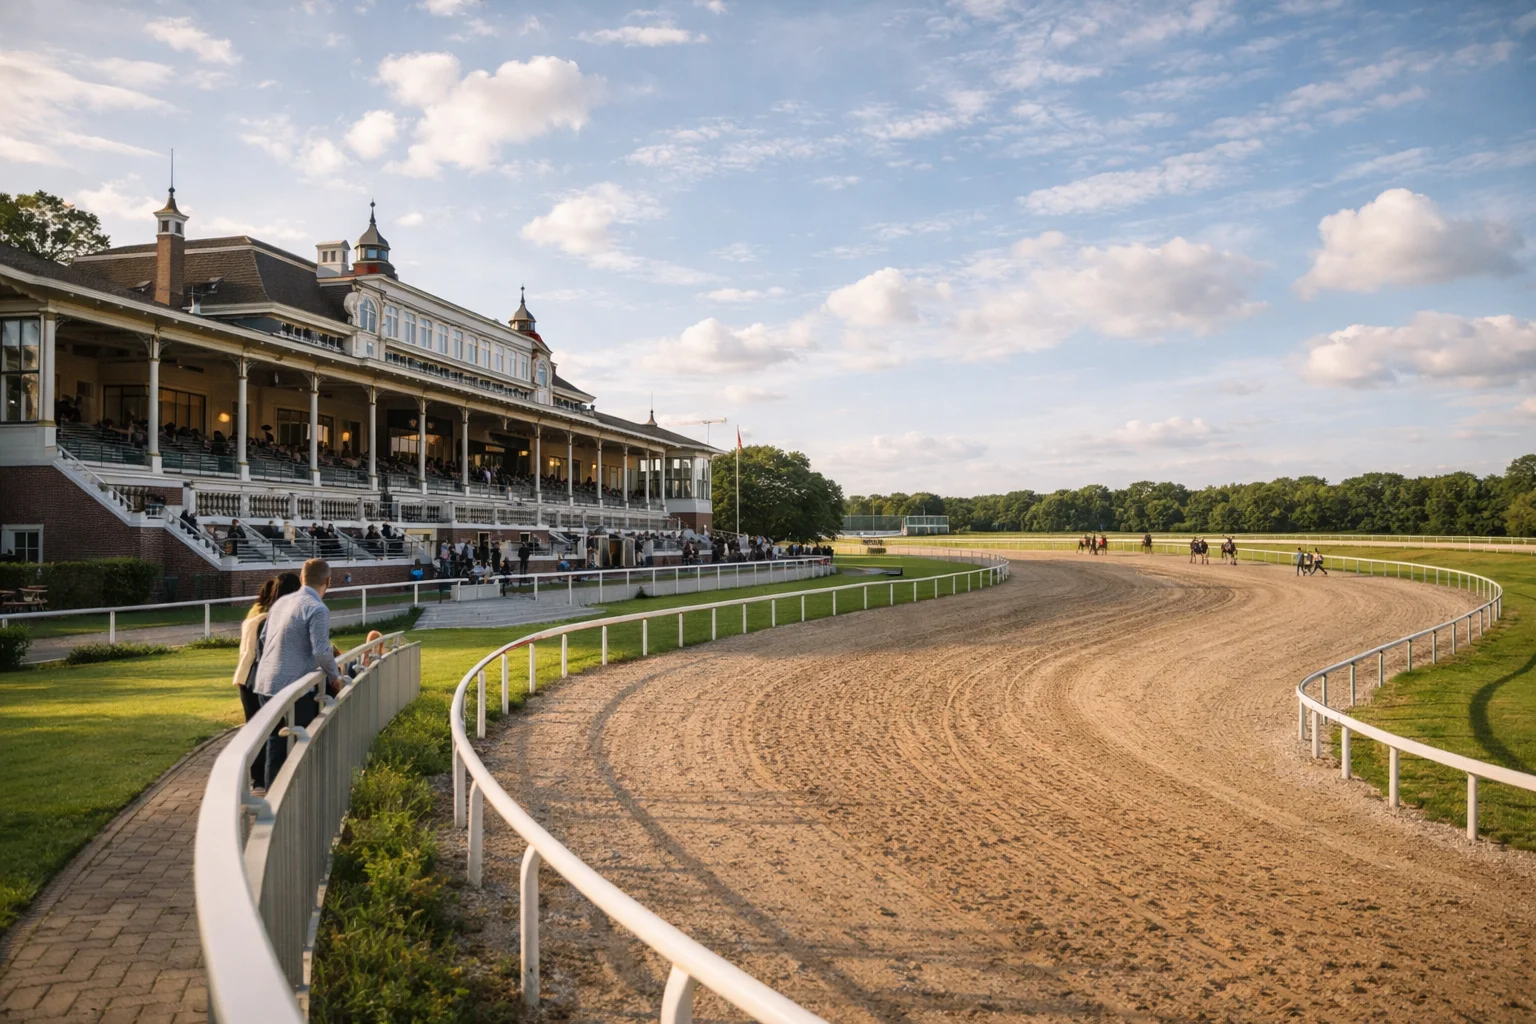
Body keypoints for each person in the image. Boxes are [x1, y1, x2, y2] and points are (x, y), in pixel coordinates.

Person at [251, 559, 341, 788]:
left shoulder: (281, 603)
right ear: (328, 581)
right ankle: (291, 806)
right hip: (293, 689)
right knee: (297, 748)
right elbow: (321, 649)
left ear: (301, 578)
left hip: (265, 684)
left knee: (275, 744)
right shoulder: (317, 608)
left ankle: (272, 805)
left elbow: (262, 640)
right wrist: (335, 677)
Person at [232, 572, 301, 788]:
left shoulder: (254, 614)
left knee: (254, 727)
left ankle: (257, 778)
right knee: (268, 729)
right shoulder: (269, 619)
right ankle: (263, 778)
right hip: (257, 677)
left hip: (244, 676)